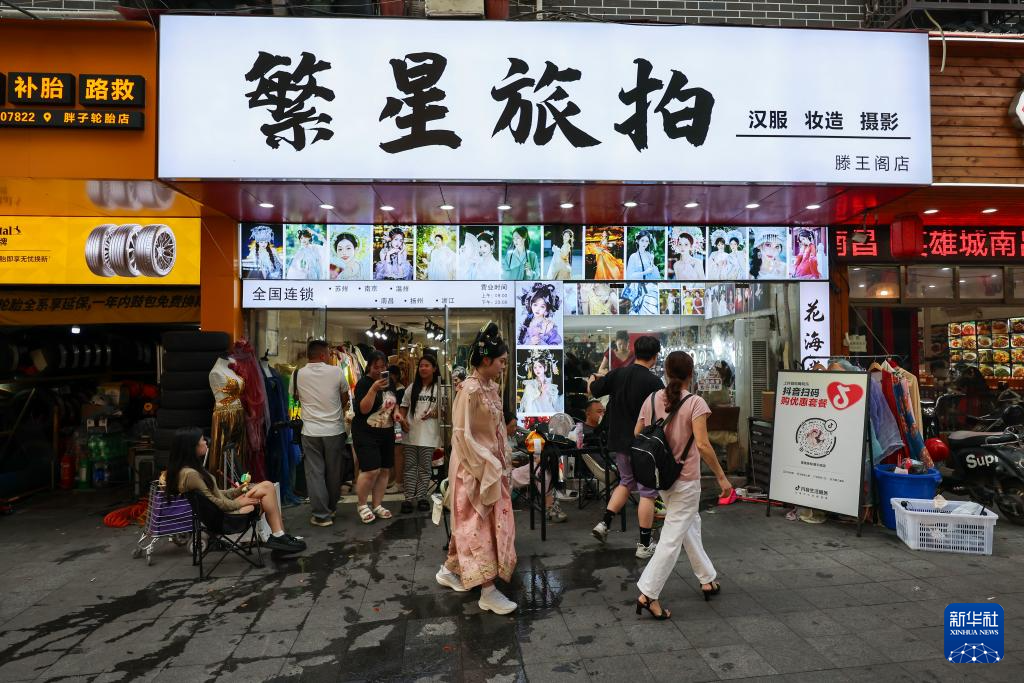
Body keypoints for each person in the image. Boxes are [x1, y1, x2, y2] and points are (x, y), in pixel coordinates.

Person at [634, 351, 732, 619]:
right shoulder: (695, 403)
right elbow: (703, 444)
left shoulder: (651, 399)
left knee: (689, 525)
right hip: (686, 479)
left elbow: (637, 433)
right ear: (691, 373)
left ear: (666, 372)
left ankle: (707, 577)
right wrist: (721, 476)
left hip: (662, 478)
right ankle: (648, 594)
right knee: (671, 538)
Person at [435, 323, 517, 615]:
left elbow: (496, 430)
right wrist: (487, 464)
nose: (503, 366)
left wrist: (503, 457)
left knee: (478, 524)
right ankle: (487, 591)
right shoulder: (469, 390)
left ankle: (450, 569)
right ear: (486, 360)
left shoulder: (490, 387)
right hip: (473, 467)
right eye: (501, 361)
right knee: (477, 526)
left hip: (489, 464)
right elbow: (461, 436)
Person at [167, 427, 306, 553]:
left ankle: (279, 535)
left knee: (267, 486)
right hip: (226, 518)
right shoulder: (191, 474)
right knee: (267, 489)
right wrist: (240, 502)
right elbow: (215, 502)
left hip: (223, 512)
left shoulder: (189, 470)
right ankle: (279, 536)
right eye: (202, 440)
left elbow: (216, 494)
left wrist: (239, 490)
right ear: (192, 447)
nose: (206, 442)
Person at [588, 335, 664, 559]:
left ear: (635, 352)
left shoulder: (618, 374)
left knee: (626, 481)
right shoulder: (654, 383)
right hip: (643, 445)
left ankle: (604, 523)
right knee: (647, 492)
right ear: (655, 356)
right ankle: (644, 544)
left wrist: (592, 378)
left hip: (619, 442)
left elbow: (594, 389)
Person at [291, 339, 351, 527]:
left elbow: (295, 397)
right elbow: (345, 398)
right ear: (323, 355)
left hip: (310, 431)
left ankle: (321, 515)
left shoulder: (297, 374)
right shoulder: (336, 372)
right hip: (334, 430)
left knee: (314, 473)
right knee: (334, 472)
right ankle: (331, 508)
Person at [352, 351, 397, 523]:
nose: (379, 370)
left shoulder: (389, 381)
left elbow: (393, 402)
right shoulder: (363, 383)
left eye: (382, 366)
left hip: (387, 430)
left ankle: (377, 504)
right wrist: (373, 389)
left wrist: (396, 413)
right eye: (375, 367)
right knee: (370, 469)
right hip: (365, 431)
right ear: (369, 367)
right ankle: (362, 505)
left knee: (385, 469)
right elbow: (363, 409)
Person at [398, 355, 442, 513]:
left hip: (429, 435)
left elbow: (446, 410)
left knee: (425, 468)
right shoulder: (412, 387)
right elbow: (403, 406)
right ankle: (408, 498)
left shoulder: (439, 388)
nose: (423, 368)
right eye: (421, 365)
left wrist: (436, 413)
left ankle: (422, 497)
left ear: (434, 368)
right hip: (411, 434)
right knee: (410, 467)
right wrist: (402, 420)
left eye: (427, 365)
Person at [506, 412, 567, 523]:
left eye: (516, 426)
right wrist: (526, 455)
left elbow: (531, 434)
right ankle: (550, 505)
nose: (514, 429)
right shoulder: (499, 439)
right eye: (512, 426)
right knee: (540, 468)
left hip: (516, 467)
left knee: (541, 468)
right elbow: (507, 457)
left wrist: (518, 428)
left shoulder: (512, 434)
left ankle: (550, 504)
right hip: (505, 473)